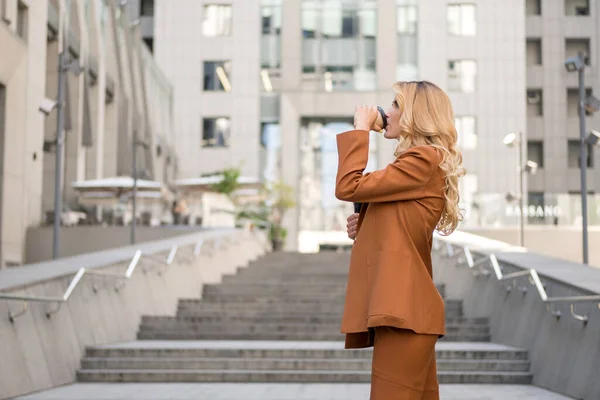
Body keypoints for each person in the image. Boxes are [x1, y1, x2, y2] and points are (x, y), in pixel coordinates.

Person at [335, 81, 465, 399]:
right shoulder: (418, 165)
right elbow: (400, 223)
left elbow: (348, 186)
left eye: (395, 105)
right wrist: (366, 223)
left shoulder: (424, 159)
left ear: (416, 115)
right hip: (407, 313)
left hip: (406, 312)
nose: (387, 111)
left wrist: (362, 129)